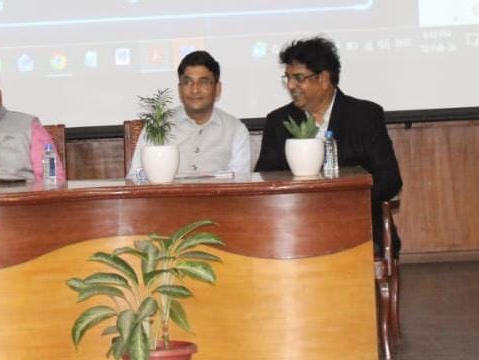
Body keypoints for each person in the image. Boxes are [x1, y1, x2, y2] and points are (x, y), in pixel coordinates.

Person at [255, 36, 403, 254]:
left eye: (298, 78)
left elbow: (389, 179)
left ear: (324, 79)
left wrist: (342, 204)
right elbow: (265, 179)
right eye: (288, 78)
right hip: (296, 229)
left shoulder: (365, 116)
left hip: (357, 226)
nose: (291, 85)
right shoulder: (279, 121)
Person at [128, 50, 251, 177]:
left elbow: (241, 181)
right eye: (187, 82)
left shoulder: (235, 130)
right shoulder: (157, 127)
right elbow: (136, 177)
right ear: (179, 89)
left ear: (217, 89)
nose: (195, 90)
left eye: (203, 82)